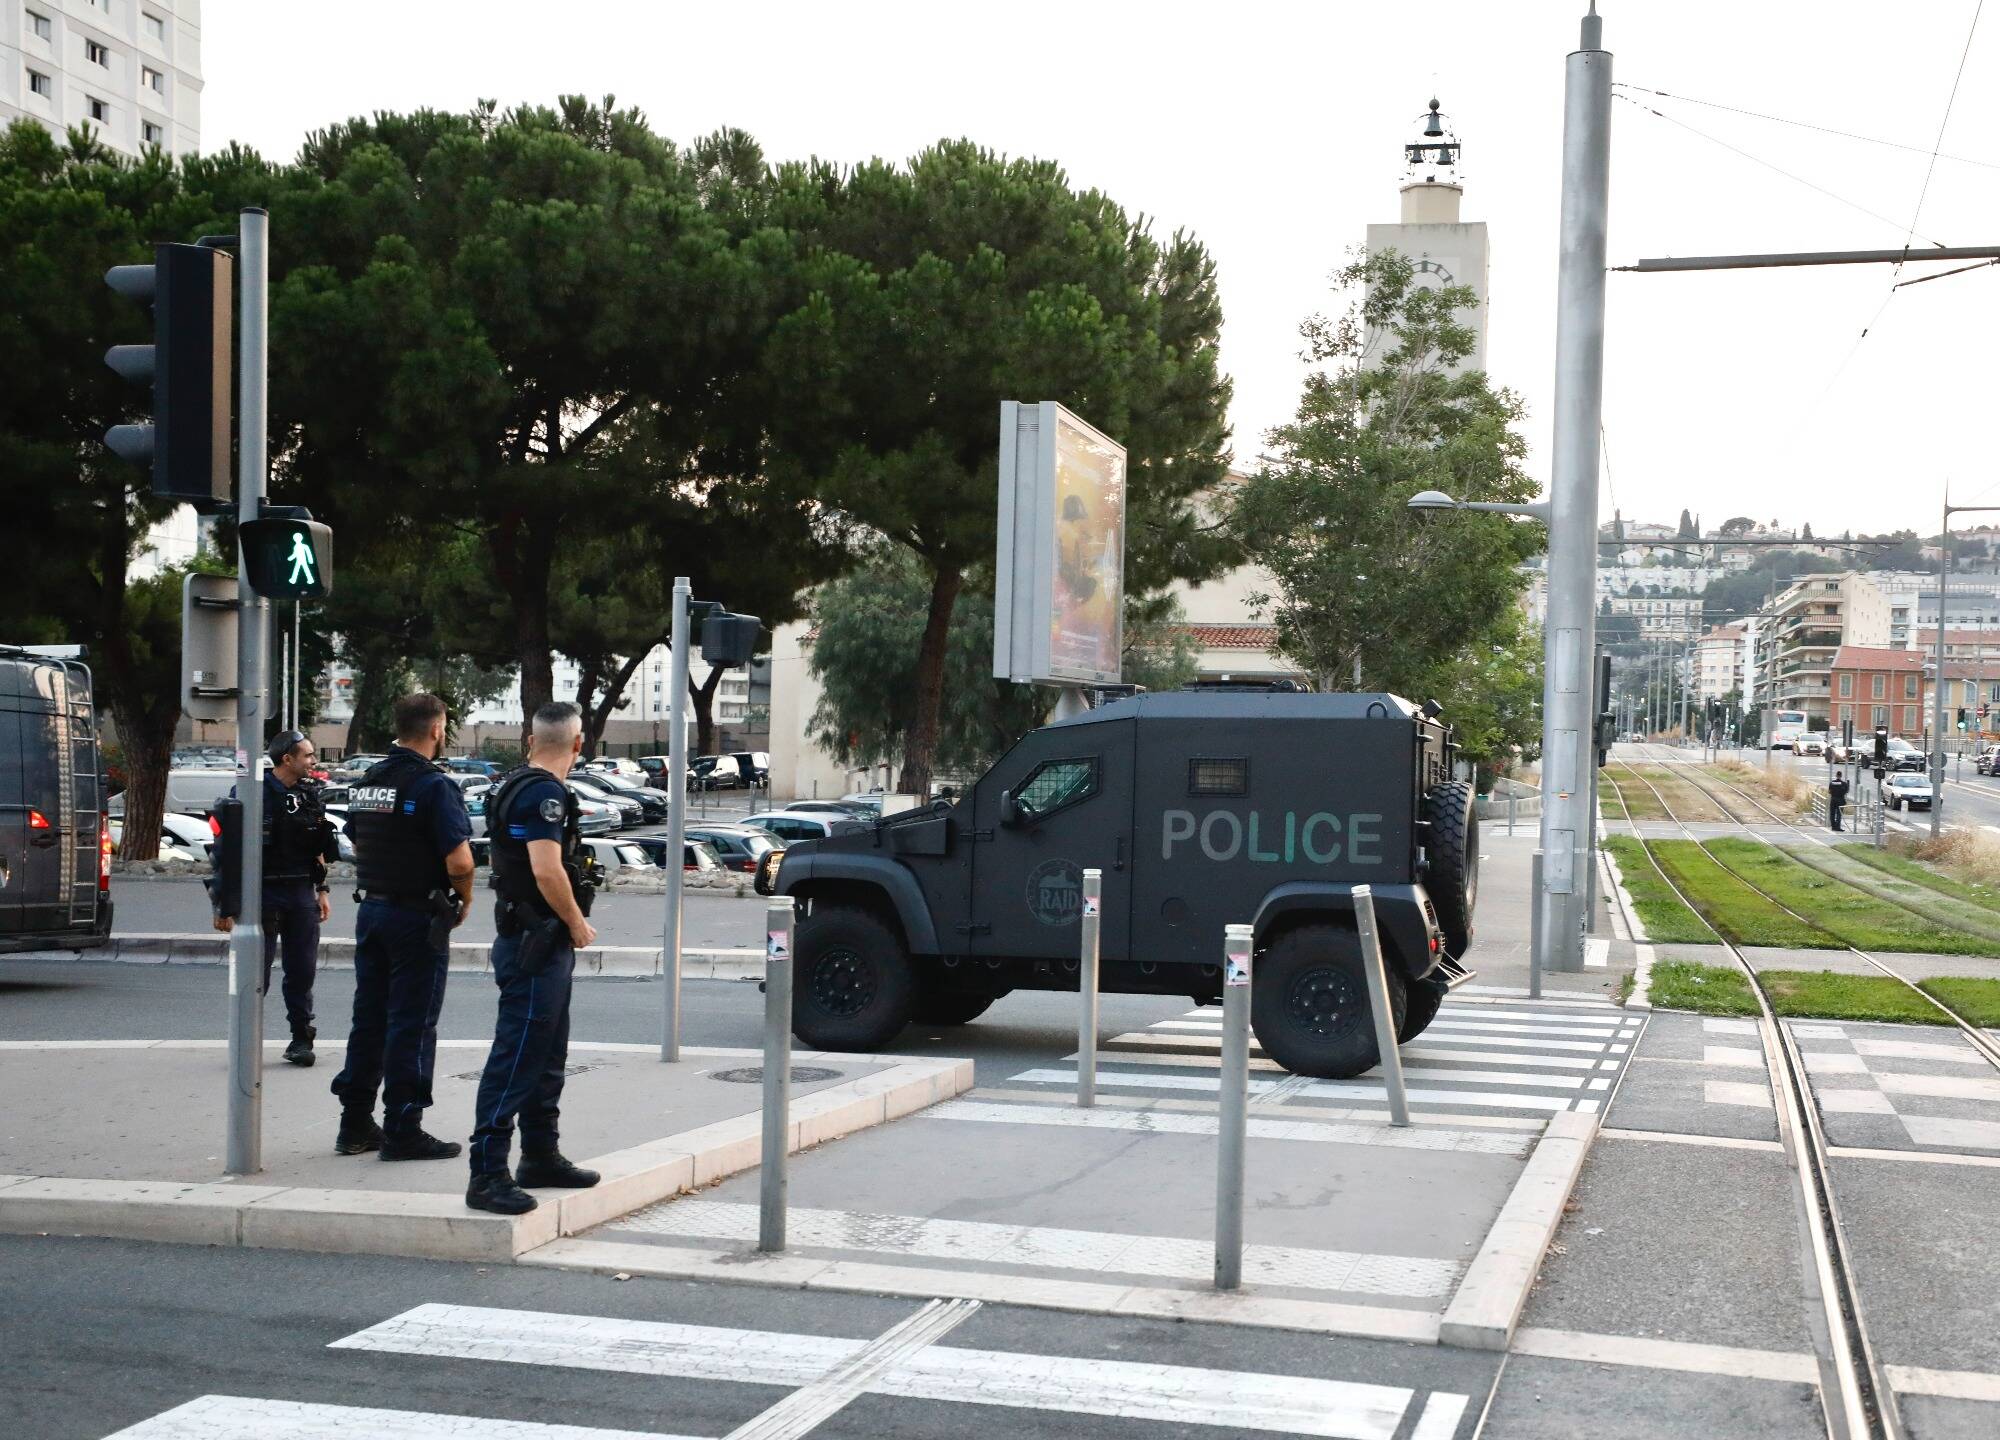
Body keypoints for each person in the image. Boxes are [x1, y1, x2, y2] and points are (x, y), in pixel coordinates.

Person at [466, 701, 602, 1214]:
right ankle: (487, 1174)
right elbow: (546, 870)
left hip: (533, 940)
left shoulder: (513, 784)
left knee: (547, 1056)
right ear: (578, 744)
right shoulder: (545, 794)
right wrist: (577, 924)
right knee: (518, 1057)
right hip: (536, 941)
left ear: (530, 741)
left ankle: (540, 1156)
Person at [330, 694, 475, 1160]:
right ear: (436, 729)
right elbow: (460, 860)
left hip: (371, 911)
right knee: (412, 1023)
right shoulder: (434, 786)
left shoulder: (369, 780)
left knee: (369, 1020)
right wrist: (465, 897)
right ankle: (403, 1128)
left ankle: (354, 1124)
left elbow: (356, 837)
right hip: (416, 917)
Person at [212, 730, 340, 1066]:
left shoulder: (311, 795)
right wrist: (223, 904)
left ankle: (301, 1040)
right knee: (256, 974)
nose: (314, 761)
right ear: (288, 759)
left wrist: (322, 890)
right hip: (261, 894)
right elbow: (227, 852)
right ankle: (245, 1042)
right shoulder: (250, 793)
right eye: (308, 755)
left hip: (300, 893)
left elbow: (318, 848)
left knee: (302, 972)